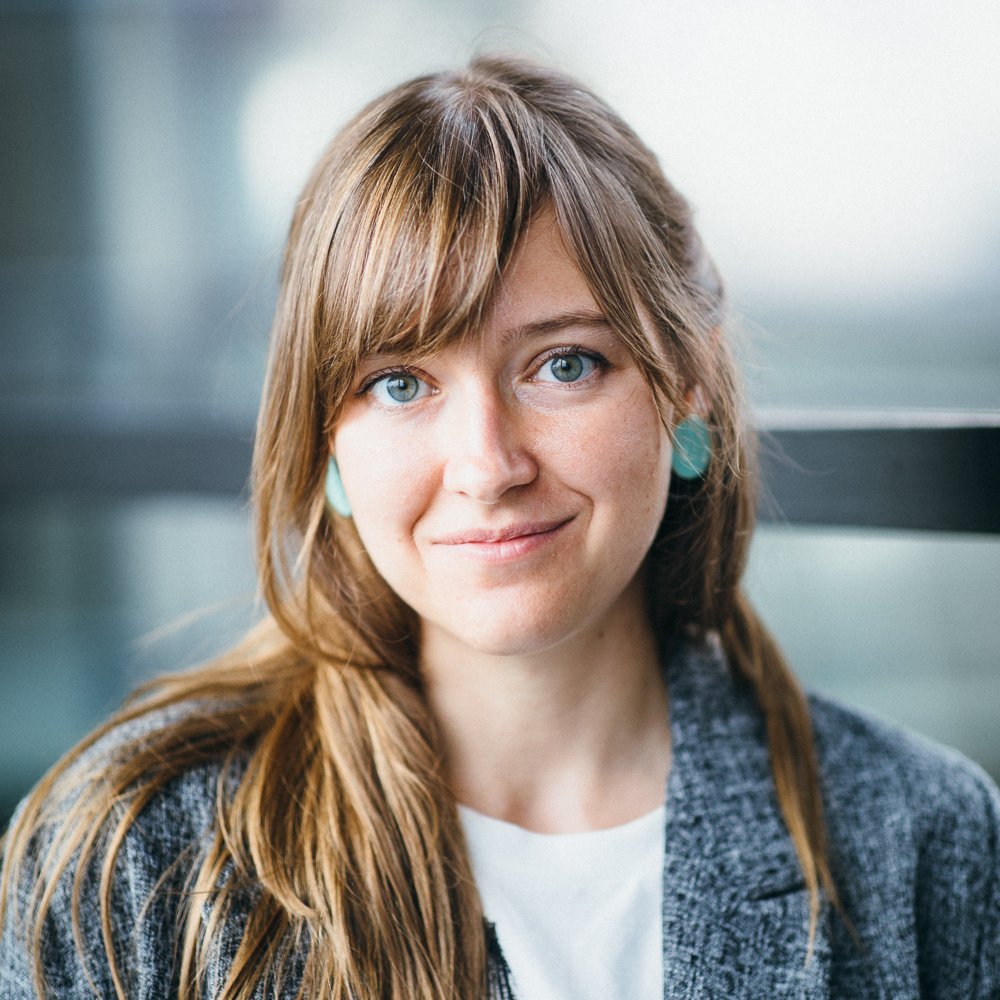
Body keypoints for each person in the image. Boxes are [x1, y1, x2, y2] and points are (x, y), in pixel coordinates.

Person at [1, 55, 998, 1000]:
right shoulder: (130, 849)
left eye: (563, 364)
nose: (487, 465)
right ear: (327, 441)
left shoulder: (917, 833)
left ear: (687, 385)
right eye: (398, 384)